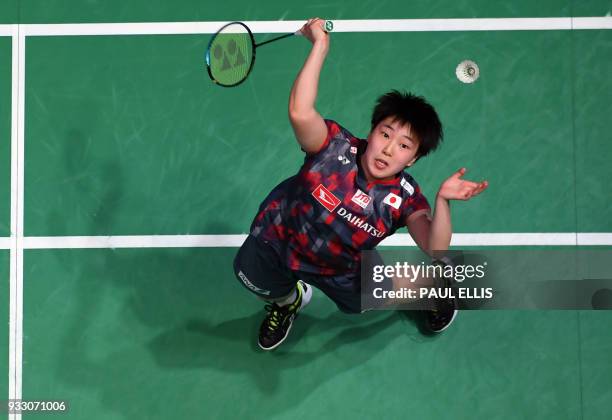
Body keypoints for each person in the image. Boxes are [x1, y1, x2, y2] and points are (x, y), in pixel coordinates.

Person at [233, 17, 488, 351]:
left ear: (412, 159)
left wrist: (443, 201)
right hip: (278, 239)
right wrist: (320, 46)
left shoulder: (404, 199)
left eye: (404, 145)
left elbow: (435, 248)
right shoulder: (333, 147)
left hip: (340, 268)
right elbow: (300, 112)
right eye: (385, 134)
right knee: (253, 277)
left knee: (372, 300)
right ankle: (289, 301)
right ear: (371, 131)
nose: (388, 148)